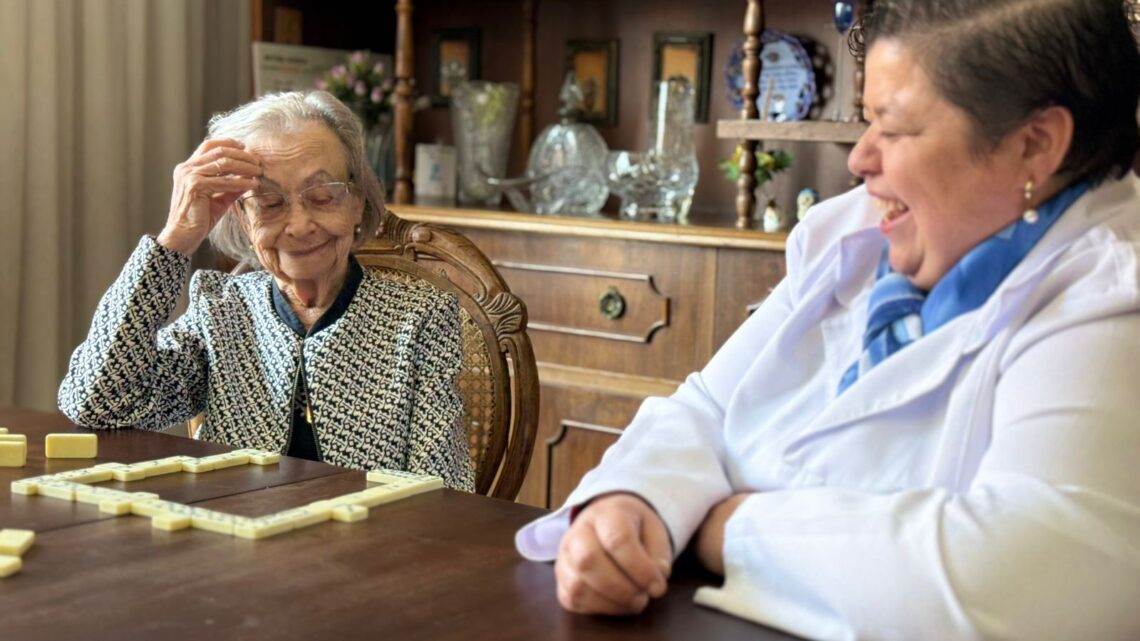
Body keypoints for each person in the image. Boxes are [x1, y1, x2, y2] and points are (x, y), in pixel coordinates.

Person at [515, 0, 1140, 638]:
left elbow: (1019, 580)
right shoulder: (855, 231)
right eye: (866, 122)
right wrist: (630, 505)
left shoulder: (1113, 301)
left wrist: (724, 529)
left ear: (1034, 145)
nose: (859, 159)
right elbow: (707, 409)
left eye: (892, 130)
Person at [58, 91, 475, 492]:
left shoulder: (419, 318)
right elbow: (98, 403)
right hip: (235, 532)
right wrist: (177, 238)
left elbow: (445, 492)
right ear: (242, 217)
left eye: (323, 197)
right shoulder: (221, 310)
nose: (299, 226)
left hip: (372, 538)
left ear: (357, 202)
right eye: (270, 204)